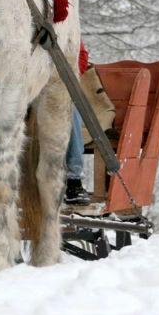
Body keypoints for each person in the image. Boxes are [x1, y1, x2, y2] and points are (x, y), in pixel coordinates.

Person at [65, 41, 91, 205]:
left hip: (57, 84)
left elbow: (81, 55)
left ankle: (73, 180)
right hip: (23, 85)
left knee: (70, 108)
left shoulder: (68, 24)